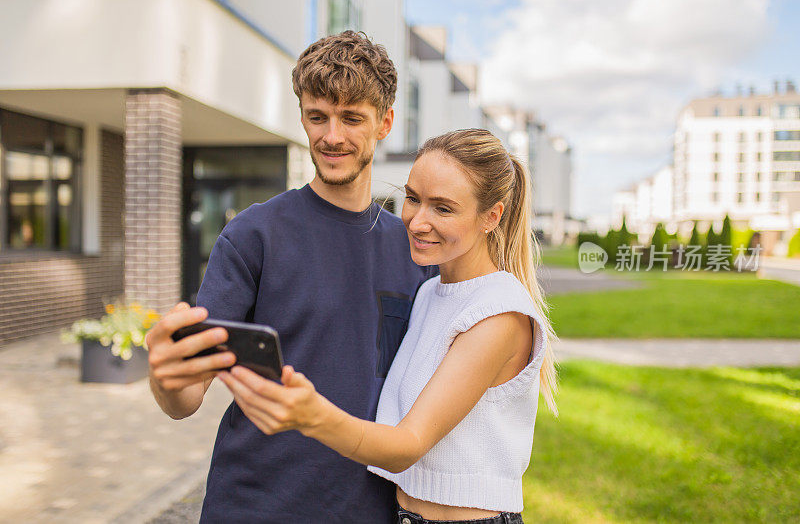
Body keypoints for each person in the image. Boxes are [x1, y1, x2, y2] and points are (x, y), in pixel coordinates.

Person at [145, 31, 435, 523]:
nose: (332, 136)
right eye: (317, 116)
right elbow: (186, 399)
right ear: (301, 115)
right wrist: (164, 375)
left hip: (372, 509)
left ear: (385, 122)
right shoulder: (254, 235)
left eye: (352, 118)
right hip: (255, 505)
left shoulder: (414, 248)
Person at [218, 129, 559, 524]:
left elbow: (408, 444)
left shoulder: (498, 312)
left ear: (491, 217)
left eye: (443, 209)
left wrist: (314, 416)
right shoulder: (430, 292)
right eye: (413, 199)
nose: (417, 222)